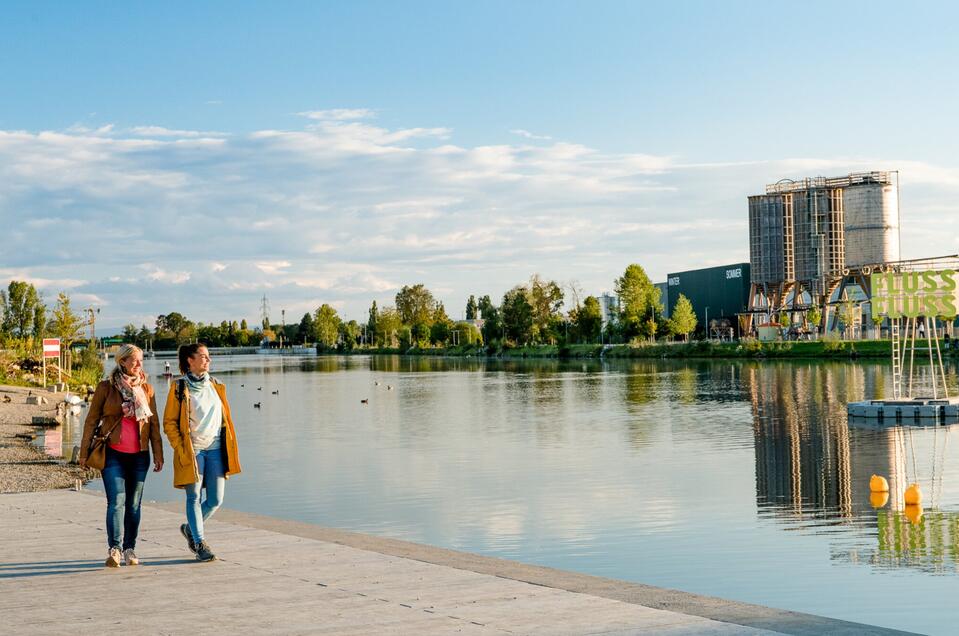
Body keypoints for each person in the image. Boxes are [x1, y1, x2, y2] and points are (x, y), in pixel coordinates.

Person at [79, 344, 163, 567]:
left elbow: (154, 424)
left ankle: (130, 548)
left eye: (141, 360)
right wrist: (84, 452)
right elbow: (91, 421)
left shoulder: (147, 389)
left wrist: (159, 454)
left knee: (134, 505)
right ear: (122, 362)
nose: (139, 364)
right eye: (134, 360)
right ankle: (115, 549)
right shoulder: (106, 388)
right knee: (115, 501)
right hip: (112, 454)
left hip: (139, 456)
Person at [162, 343, 241, 562]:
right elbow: (169, 423)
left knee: (215, 500)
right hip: (193, 450)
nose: (208, 360)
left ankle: (189, 529)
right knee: (194, 497)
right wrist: (181, 449)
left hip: (216, 449)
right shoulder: (179, 388)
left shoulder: (216, 385)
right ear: (190, 360)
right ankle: (199, 543)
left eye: (208, 357)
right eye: (204, 357)